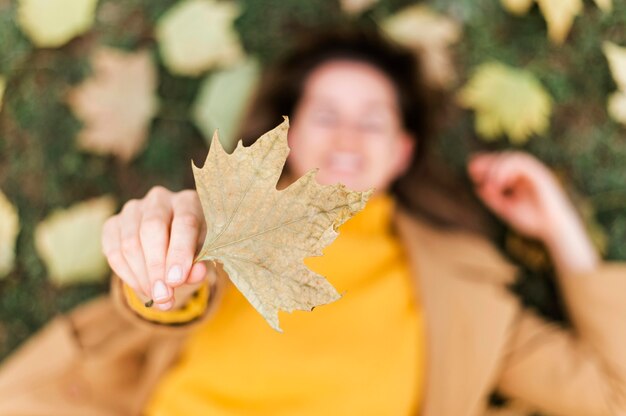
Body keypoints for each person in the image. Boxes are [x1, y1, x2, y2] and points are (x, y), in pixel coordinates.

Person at [1, 26, 625, 416]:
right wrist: (165, 266)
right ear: (288, 133)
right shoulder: (224, 219)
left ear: (403, 150)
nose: (349, 135)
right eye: (326, 114)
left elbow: (613, 397)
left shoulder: (471, 298)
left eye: (374, 119)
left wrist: (563, 235)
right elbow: (176, 292)